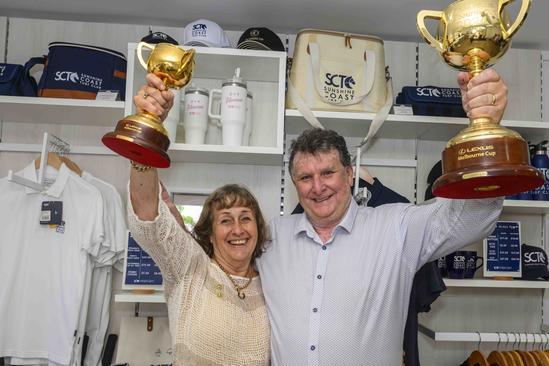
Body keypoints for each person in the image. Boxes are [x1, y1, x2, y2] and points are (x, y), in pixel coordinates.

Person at [133, 68, 508, 366]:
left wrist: (485, 133)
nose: (318, 187)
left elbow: (470, 218)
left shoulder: (395, 227)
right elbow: (172, 237)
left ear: (349, 174)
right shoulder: (270, 238)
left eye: (328, 173)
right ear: (294, 183)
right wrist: (147, 136)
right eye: (305, 178)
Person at [128, 175, 271, 363]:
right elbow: (150, 222)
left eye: (245, 218)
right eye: (225, 221)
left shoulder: (270, 282)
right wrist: (143, 160)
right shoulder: (192, 268)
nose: (238, 230)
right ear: (210, 234)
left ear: (257, 228)